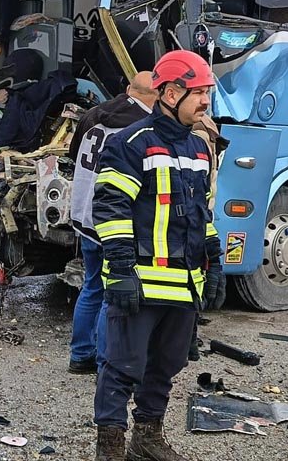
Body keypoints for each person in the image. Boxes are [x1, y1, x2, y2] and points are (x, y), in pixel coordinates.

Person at [91, 50, 221, 461]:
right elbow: (110, 209)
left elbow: (201, 213)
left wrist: (215, 261)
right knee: (121, 368)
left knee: (166, 367)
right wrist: (121, 271)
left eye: (207, 93)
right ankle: (110, 450)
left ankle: (146, 439)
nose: (205, 102)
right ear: (170, 93)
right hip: (140, 283)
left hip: (184, 287)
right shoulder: (130, 143)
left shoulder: (199, 149)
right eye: (198, 93)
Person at [66, 71, 155, 375]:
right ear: (155, 96)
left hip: (85, 214)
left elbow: (72, 155)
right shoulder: (142, 127)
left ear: (129, 89)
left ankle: (80, 354)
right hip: (115, 221)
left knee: (92, 285)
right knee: (112, 292)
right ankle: (107, 363)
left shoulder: (93, 114)